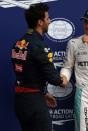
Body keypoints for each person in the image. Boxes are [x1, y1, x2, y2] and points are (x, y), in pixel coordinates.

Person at [11, 3, 67, 131]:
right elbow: (54, 79)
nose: (50, 21)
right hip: (34, 103)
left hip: (21, 102)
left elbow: (27, 73)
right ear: (40, 22)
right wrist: (63, 80)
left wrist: (43, 93)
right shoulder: (40, 46)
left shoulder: (18, 43)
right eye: (48, 18)